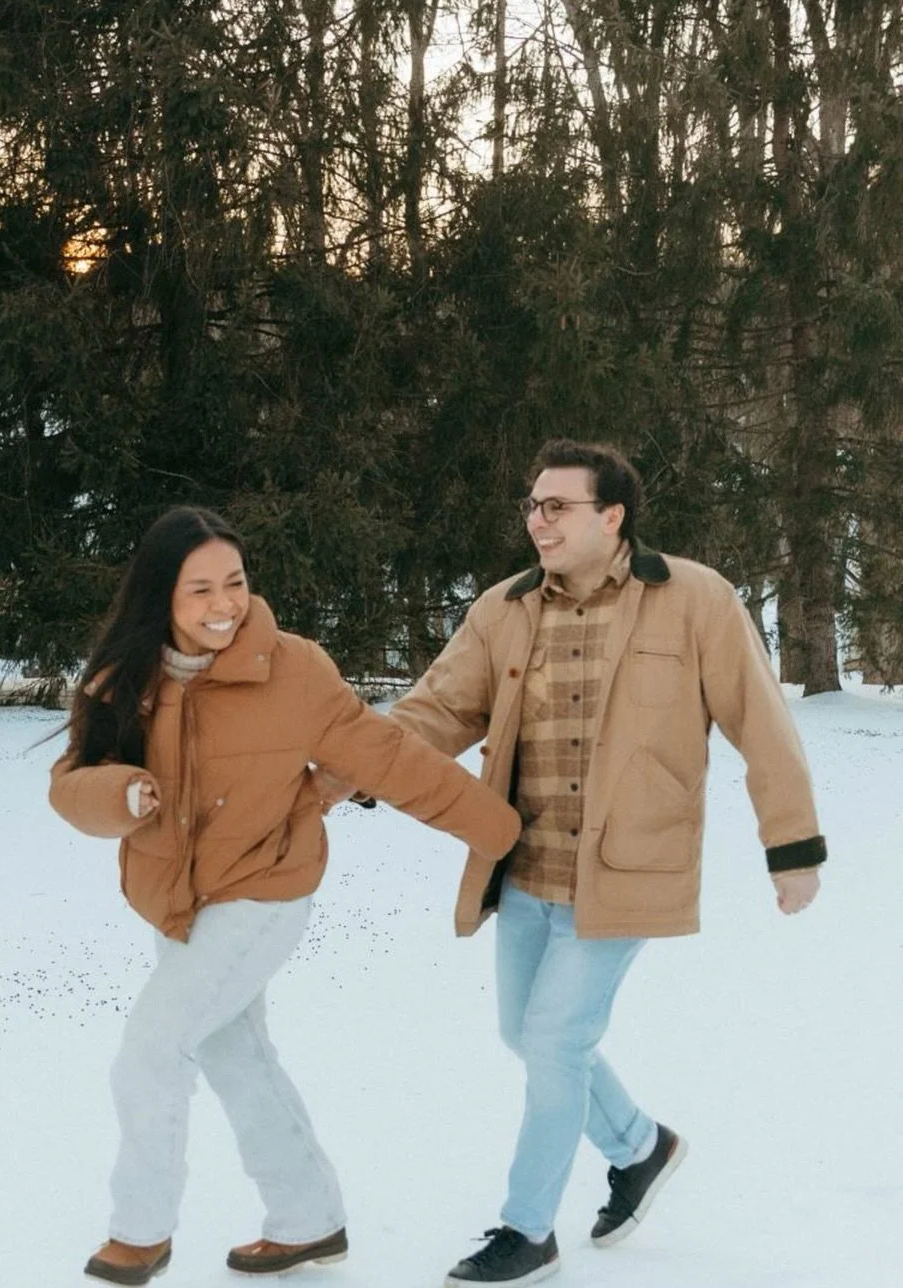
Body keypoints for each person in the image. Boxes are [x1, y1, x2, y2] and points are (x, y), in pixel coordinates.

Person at [382, 439, 826, 1286]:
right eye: (531, 505)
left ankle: (528, 1230)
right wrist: (359, 767)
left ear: (611, 516)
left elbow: (761, 722)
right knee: (528, 1033)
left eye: (557, 507)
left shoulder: (693, 599)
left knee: (553, 1038)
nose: (537, 520)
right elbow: (439, 709)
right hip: (524, 867)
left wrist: (792, 848)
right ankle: (639, 1146)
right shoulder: (504, 608)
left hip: (629, 866)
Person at [49, 505, 521, 1286]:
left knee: (151, 1053)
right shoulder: (120, 679)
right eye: (199, 589)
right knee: (236, 1054)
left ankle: (141, 1233)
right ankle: (308, 1218)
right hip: (176, 899)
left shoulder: (293, 669)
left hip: (264, 893)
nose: (223, 604)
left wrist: (501, 833)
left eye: (233, 582)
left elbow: (391, 758)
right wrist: (121, 793)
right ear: (159, 596)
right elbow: (69, 788)